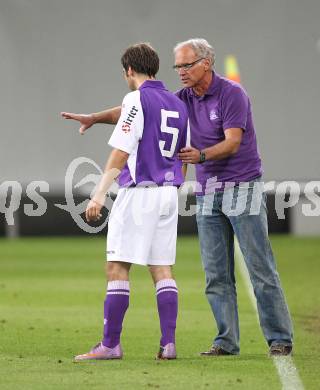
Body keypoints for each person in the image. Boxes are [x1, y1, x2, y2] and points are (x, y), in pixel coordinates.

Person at [61, 38, 293, 357]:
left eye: (186, 65)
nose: (180, 72)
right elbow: (134, 110)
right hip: (204, 190)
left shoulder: (232, 94)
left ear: (207, 63)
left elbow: (233, 142)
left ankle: (279, 336)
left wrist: (199, 157)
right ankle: (223, 341)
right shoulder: (180, 100)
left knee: (259, 267)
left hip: (241, 186)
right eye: (177, 66)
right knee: (213, 273)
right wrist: (94, 117)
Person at [66, 43, 189, 361]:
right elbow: (184, 154)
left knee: (117, 267)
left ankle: (110, 344)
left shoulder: (135, 98)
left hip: (138, 194)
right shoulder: (177, 103)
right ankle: (168, 344)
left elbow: (120, 152)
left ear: (129, 71)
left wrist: (98, 193)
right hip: (167, 194)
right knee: (162, 268)